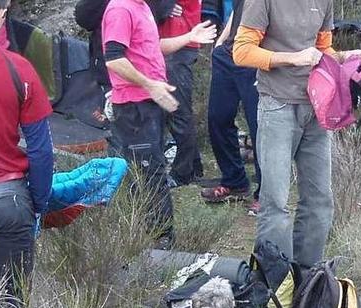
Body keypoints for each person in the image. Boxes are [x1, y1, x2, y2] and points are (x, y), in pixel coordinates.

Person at [233, 0, 361, 267]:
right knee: (275, 204)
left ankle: (307, 282)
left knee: (320, 202)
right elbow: (242, 52)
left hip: (317, 107)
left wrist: (345, 56)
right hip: (277, 106)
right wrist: (292, 58)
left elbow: (322, 49)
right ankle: (275, 285)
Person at [102, 0, 215, 248]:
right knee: (148, 174)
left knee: (152, 169)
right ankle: (158, 240)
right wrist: (149, 84)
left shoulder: (141, 6)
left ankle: (157, 236)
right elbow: (113, 59)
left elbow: (154, 47)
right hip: (134, 107)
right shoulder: (121, 8)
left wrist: (189, 36)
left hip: (149, 103)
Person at [0, 0, 53, 301]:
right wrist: (38, 204)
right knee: (9, 303)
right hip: (9, 199)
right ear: (0, 15)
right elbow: (41, 150)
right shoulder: (20, 68)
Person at [201, 0, 261, 213]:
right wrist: (221, 42)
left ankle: (265, 194)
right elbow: (238, 10)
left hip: (257, 57)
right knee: (218, 118)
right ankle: (235, 182)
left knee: (259, 127)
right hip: (228, 54)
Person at [159, 0, 205, 186]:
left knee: (177, 110)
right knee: (174, 109)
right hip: (174, 40)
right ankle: (193, 165)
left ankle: (183, 172)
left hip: (178, 41)